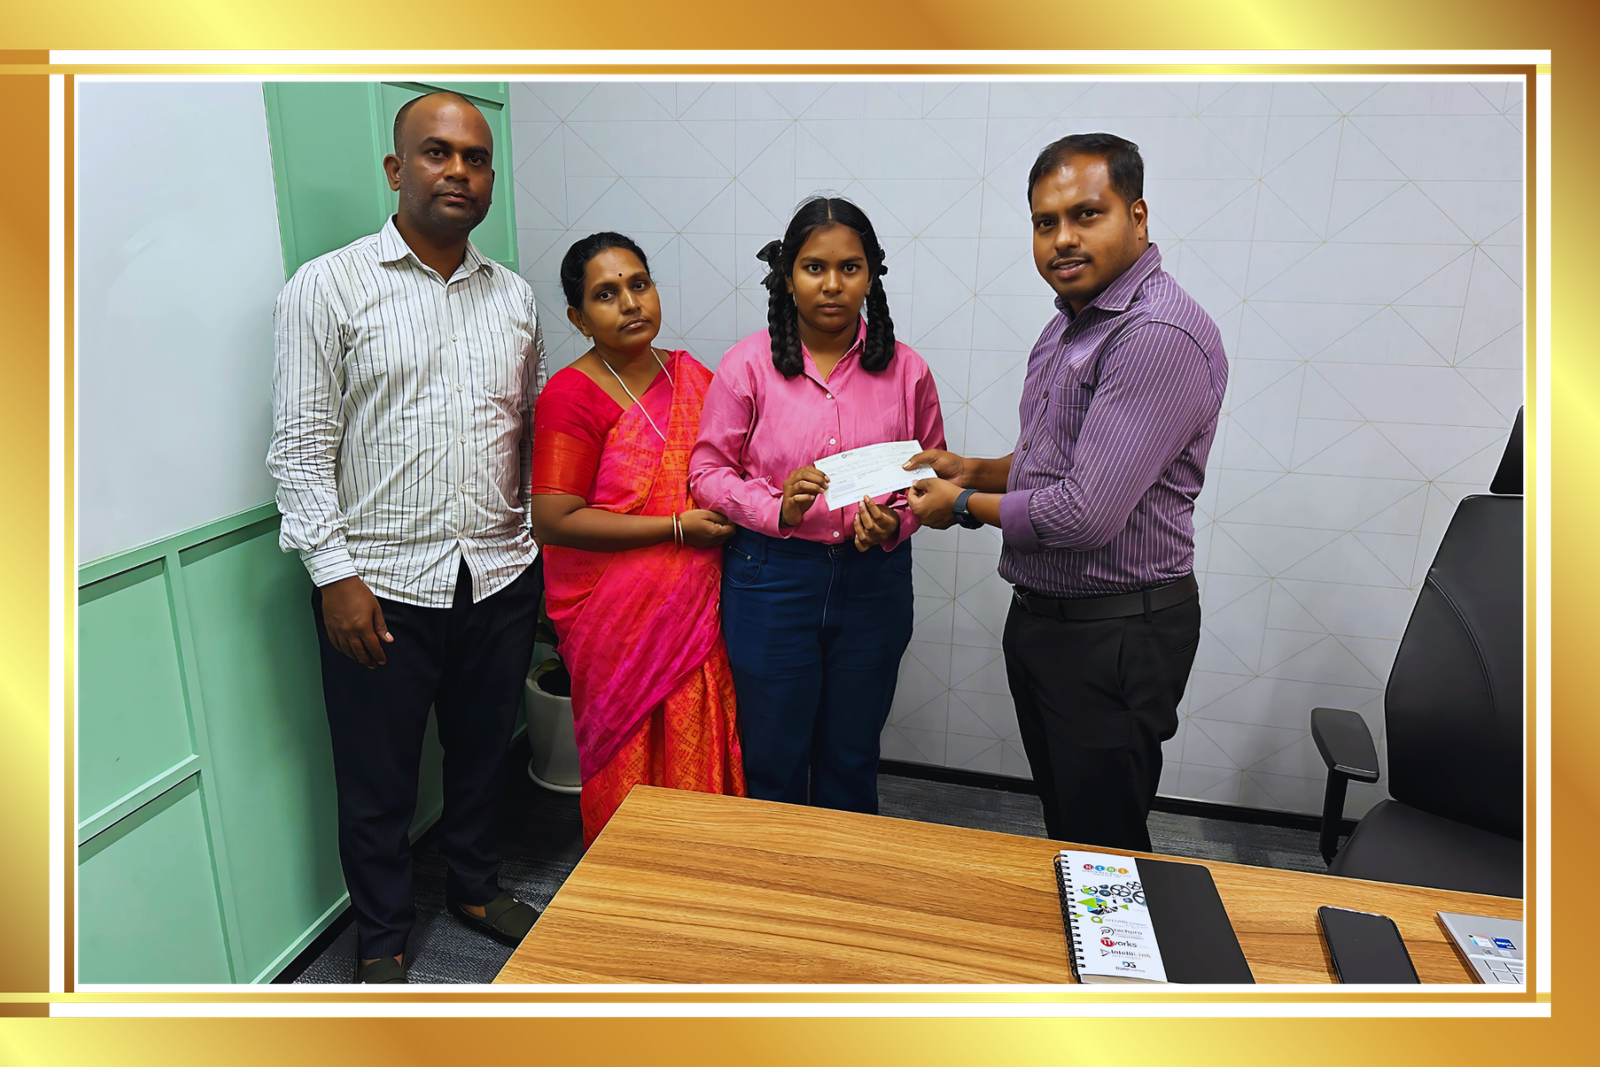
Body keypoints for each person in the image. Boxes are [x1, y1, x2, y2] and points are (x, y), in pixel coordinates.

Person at [268, 91, 544, 989]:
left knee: (483, 754)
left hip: (498, 574)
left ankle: (475, 888)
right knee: (377, 777)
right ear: (396, 169)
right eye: (436, 152)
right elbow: (300, 447)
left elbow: (525, 434)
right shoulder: (328, 286)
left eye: (476, 157)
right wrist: (334, 576)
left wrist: (531, 552)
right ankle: (382, 934)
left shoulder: (515, 297)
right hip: (378, 585)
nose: (458, 171)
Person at [906, 133, 1229, 853]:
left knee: (1103, 842)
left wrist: (958, 507)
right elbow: (1055, 465)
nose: (1062, 239)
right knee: (1069, 826)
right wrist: (972, 470)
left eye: (1087, 214)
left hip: (1114, 634)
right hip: (1050, 621)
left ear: (1137, 216)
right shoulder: (1069, 326)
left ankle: (1129, 934)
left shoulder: (1155, 334)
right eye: (1044, 222)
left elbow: (1084, 513)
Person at [689, 197, 945, 814]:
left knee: (851, 758)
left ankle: (840, 873)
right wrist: (774, 507)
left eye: (849, 268)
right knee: (773, 757)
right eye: (814, 267)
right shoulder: (747, 366)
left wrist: (897, 519)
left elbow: (933, 474)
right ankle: (774, 875)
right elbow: (707, 473)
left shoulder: (908, 370)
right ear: (787, 276)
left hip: (875, 581)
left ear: (870, 276)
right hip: (772, 580)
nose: (832, 284)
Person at [529, 233, 746, 847]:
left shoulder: (692, 378)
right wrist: (676, 528)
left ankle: (705, 876)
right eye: (605, 294)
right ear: (578, 318)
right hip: (616, 620)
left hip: (696, 610)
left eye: (638, 284)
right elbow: (554, 519)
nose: (630, 303)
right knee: (629, 760)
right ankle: (627, 879)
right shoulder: (571, 395)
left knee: (700, 737)